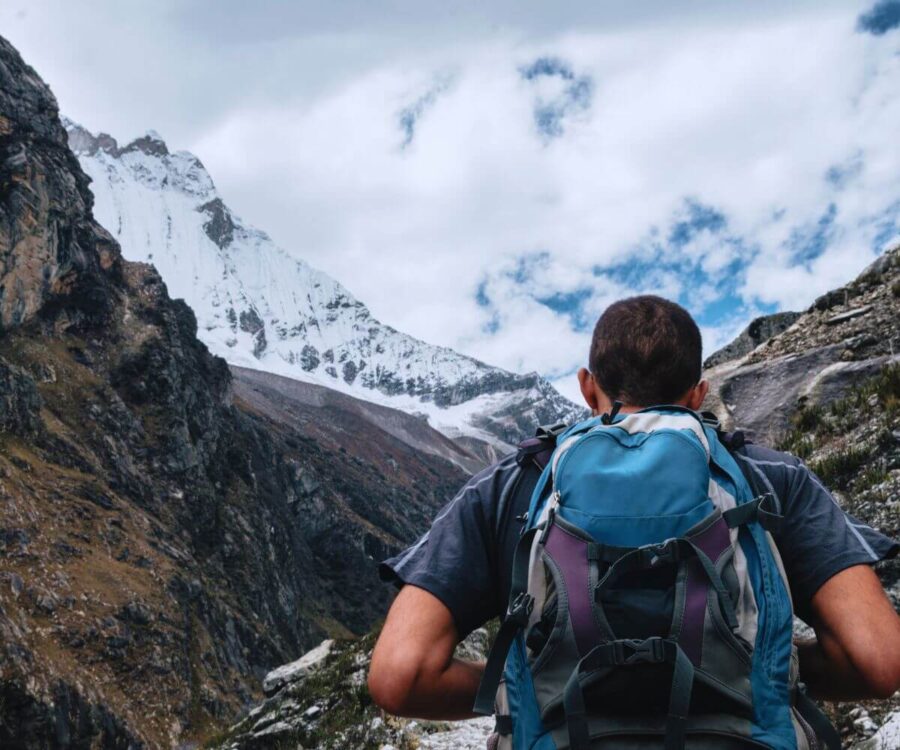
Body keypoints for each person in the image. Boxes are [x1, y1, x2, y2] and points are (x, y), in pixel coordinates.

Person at [368, 295, 900, 743]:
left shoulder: (512, 485)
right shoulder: (770, 477)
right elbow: (877, 659)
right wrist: (757, 667)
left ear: (586, 385)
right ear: (698, 394)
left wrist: (522, 684)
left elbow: (400, 676)